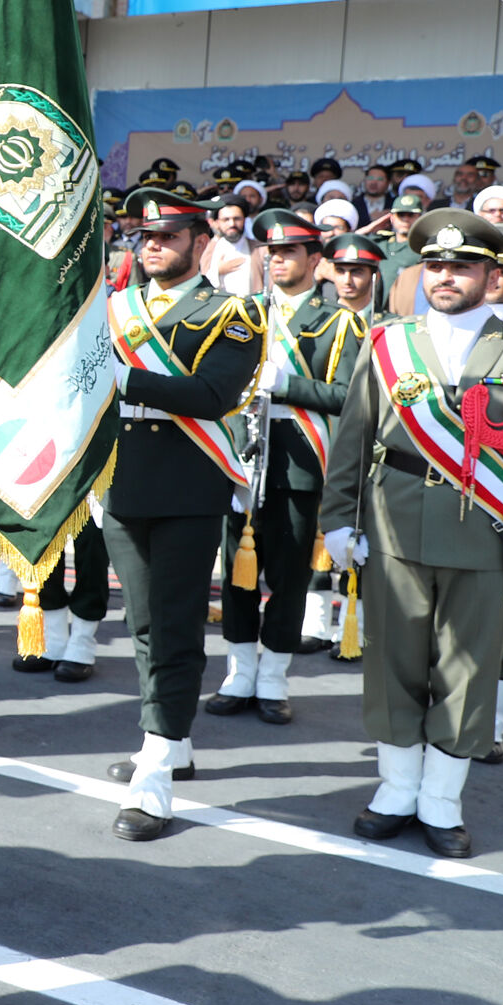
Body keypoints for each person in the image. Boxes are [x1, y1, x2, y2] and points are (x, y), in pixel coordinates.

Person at [319, 212, 503, 858]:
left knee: (466, 672)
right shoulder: (386, 342)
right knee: (392, 663)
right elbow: (353, 436)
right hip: (393, 527)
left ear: (493, 276)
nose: (446, 277)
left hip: (484, 536)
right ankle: (396, 789)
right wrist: (338, 519)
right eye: (435, 265)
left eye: (462, 266)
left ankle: (441, 800)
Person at [100, 188, 266, 842]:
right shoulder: (115, 309)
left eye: (166, 235)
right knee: (142, 622)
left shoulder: (233, 311)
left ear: (200, 242)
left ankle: (158, 774)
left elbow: (212, 393)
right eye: (145, 236)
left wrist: (127, 380)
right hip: (123, 479)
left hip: (188, 482)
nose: (152, 245)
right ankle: (170, 738)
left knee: (174, 624)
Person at [203, 211, 362, 726]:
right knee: (238, 577)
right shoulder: (243, 311)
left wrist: (285, 384)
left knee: (289, 578)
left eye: (289, 252)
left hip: (298, 462)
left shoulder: (339, 322)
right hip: (242, 458)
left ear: (316, 262)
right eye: (272, 253)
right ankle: (238, 673)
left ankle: (273, 678)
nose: (277, 261)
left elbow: (349, 397)